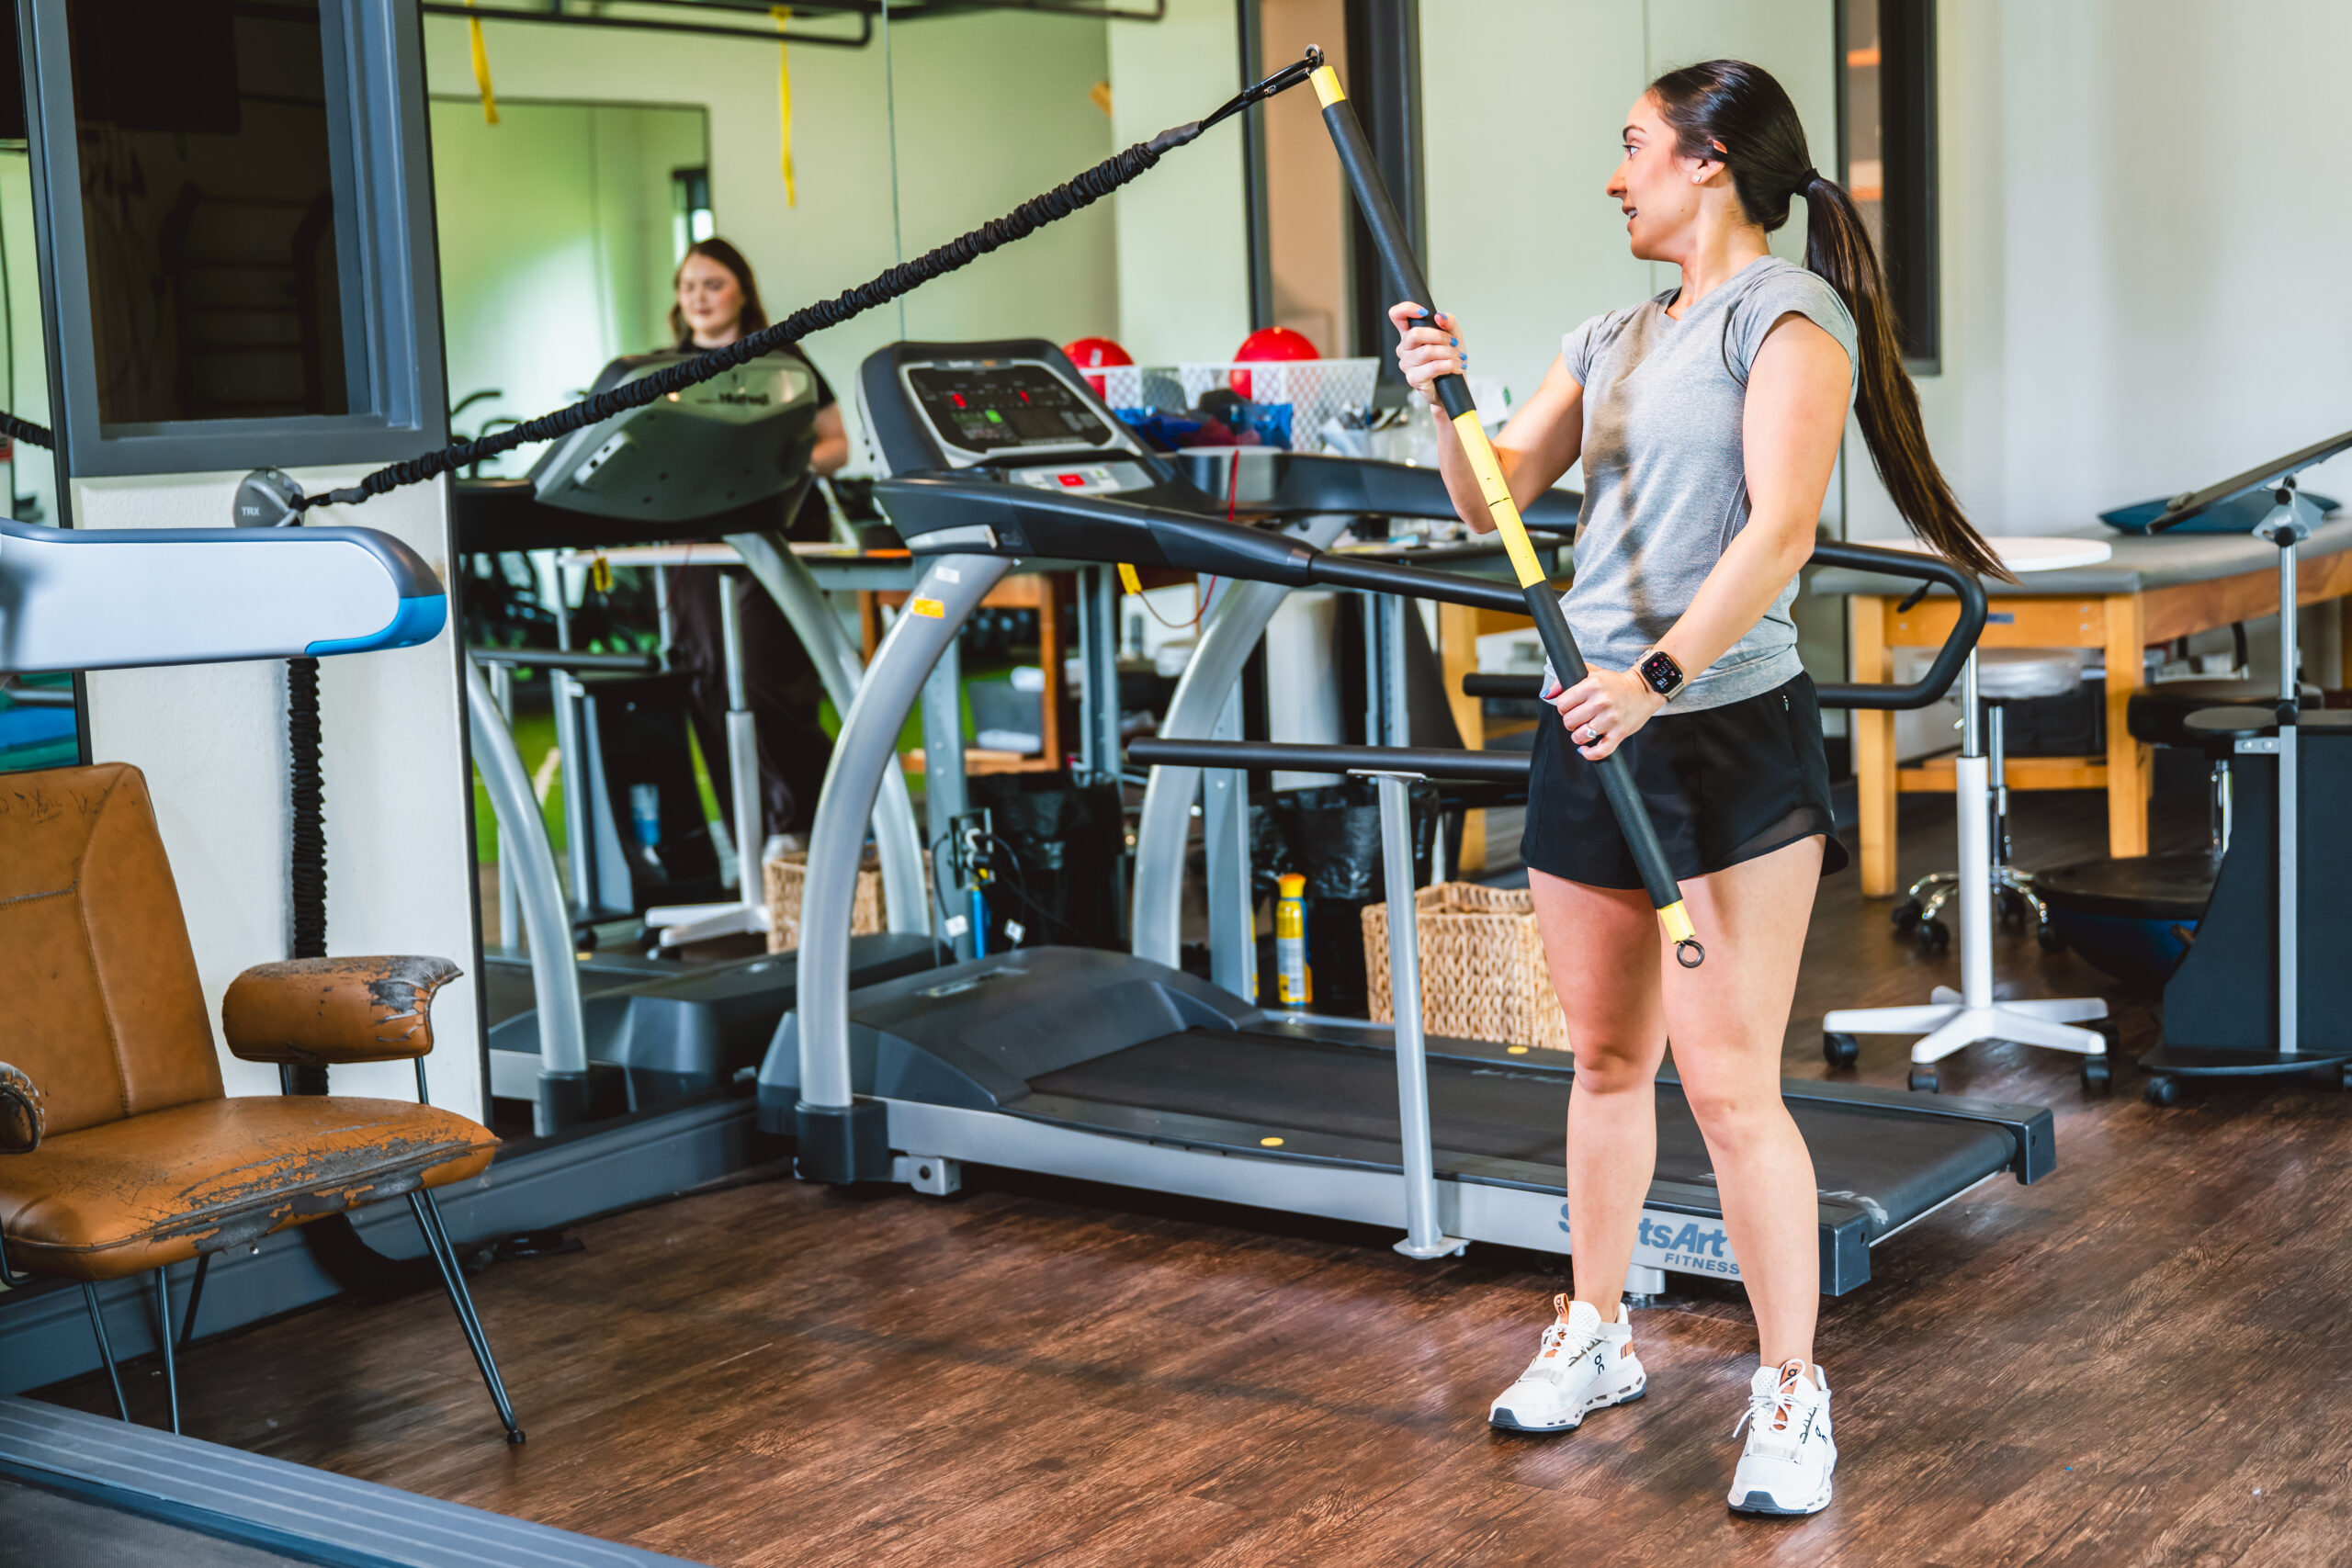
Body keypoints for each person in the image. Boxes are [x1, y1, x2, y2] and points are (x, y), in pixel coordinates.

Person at [1390, 61, 2003, 1517]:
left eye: (1633, 149)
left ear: (1711, 160)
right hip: (1586, 731)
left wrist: (1653, 676)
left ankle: (1791, 1390)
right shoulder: (1605, 334)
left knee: (1729, 1082)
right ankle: (1595, 1326)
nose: (1616, 177)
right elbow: (1488, 497)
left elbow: (1781, 532)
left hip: (1717, 730)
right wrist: (1444, 397)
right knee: (1604, 1063)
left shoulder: (1789, 318)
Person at [666, 238, 850, 850]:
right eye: (689, 285)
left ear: (742, 289)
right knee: (707, 677)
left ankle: (808, 821)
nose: (699, 297)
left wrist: (786, 470)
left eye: (712, 284)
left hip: (779, 528)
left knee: (767, 676)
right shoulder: (665, 370)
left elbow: (836, 443)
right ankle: (753, 835)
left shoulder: (781, 357)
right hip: (697, 538)